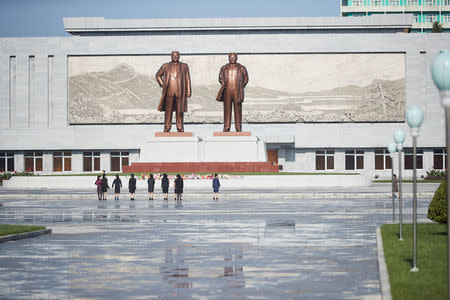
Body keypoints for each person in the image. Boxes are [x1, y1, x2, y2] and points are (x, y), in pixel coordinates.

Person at [156, 51, 192, 132]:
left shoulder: (184, 66)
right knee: (168, 111)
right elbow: (158, 75)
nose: (175, 57)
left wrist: (189, 90)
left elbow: (187, 79)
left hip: (180, 92)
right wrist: (163, 84)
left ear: (179, 56)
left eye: (177, 55)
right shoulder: (165, 66)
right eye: (173, 55)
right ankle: (167, 127)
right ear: (171, 56)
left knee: (180, 111)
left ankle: (180, 127)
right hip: (169, 92)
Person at [216, 52, 249, 132]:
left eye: (234, 57)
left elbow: (246, 79)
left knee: (238, 110)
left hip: (237, 92)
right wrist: (225, 85)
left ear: (236, 58)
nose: (232, 58)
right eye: (231, 57)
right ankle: (226, 127)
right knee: (227, 110)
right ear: (228, 58)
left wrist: (240, 87)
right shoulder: (224, 68)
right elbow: (220, 78)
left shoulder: (242, 68)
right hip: (227, 92)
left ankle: (238, 128)